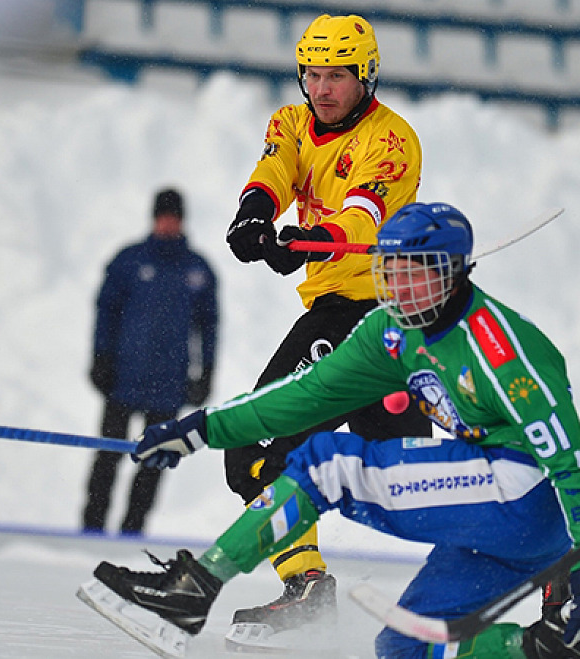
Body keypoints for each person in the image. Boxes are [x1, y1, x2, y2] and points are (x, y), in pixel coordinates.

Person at [87, 202, 580, 659]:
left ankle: (193, 591)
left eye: (411, 274)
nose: (395, 288)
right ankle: (537, 649)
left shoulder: (502, 351)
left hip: (532, 497)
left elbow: (570, 464)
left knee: (329, 466)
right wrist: (201, 429)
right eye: (389, 272)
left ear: (451, 275)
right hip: (499, 523)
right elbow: (305, 394)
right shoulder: (393, 330)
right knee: (402, 645)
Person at [222, 13, 431, 635]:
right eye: (311, 73)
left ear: (366, 76)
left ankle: (309, 590)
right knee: (406, 478)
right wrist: (252, 219)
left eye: (337, 74)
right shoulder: (290, 121)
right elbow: (276, 171)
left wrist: (310, 241)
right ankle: (308, 587)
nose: (321, 88)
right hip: (339, 313)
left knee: (256, 439)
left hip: (375, 314)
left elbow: (363, 218)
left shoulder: (393, 140)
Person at [81, 187, 218, 535]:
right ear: (154, 218)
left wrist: (206, 372)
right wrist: (100, 357)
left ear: (182, 220)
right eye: (163, 216)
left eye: (174, 217)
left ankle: (132, 530)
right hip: (124, 378)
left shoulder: (198, 270)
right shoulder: (129, 260)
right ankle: (91, 527)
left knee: (154, 461)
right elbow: (105, 312)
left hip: (168, 385)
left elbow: (209, 325)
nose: (168, 223)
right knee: (107, 453)